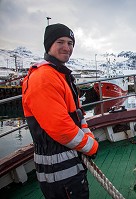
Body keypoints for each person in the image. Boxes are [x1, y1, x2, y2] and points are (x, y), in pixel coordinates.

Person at [22, 23, 98, 199]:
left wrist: (89, 139)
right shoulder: (43, 78)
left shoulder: (61, 76)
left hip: (71, 164)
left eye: (70, 43)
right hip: (58, 172)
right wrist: (91, 146)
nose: (67, 47)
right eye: (60, 42)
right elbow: (60, 128)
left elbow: (78, 115)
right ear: (49, 45)